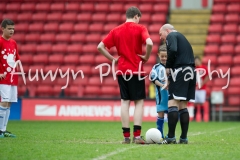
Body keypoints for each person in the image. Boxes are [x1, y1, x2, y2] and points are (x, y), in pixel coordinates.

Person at [97, 7, 153, 144]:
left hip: (122, 70)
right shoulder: (140, 28)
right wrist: (146, 56)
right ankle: (137, 136)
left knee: (124, 101)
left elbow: (100, 46)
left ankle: (126, 137)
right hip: (136, 70)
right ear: (136, 16)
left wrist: (113, 59)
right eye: (139, 17)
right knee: (139, 102)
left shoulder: (116, 30)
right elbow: (150, 43)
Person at [158, 24, 196, 144]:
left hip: (180, 71)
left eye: (161, 34)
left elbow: (173, 50)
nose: (160, 37)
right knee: (183, 106)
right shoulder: (183, 38)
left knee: (172, 103)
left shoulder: (172, 35)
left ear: (167, 30)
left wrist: (168, 67)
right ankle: (183, 138)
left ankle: (170, 137)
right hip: (191, 71)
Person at [0, 19, 20, 138]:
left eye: (13, 28)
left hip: (12, 77)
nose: (12, 31)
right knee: (4, 101)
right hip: (3, 77)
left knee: (9, 103)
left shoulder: (13, 43)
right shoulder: (0, 41)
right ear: (2, 29)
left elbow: (16, 58)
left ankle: (4, 129)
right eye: (9, 28)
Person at [150, 44, 168, 139]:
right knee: (160, 114)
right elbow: (153, 78)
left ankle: (170, 135)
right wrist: (162, 85)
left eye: (166, 56)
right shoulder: (156, 67)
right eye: (162, 56)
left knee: (172, 114)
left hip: (171, 96)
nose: (164, 58)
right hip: (161, 96)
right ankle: (160, 135)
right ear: (158, 55)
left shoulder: (172, 67)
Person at [194, 56, 209, 121]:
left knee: (201, 102)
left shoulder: (204, 68)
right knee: (195, 103)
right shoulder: (194, 68)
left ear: (200, 61)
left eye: (197, 60)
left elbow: (207, 77)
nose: (196, 62)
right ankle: (195, 117)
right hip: (195, 89)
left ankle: (203, 117)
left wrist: (201, 85)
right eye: (195, 61)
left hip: (202, 89)